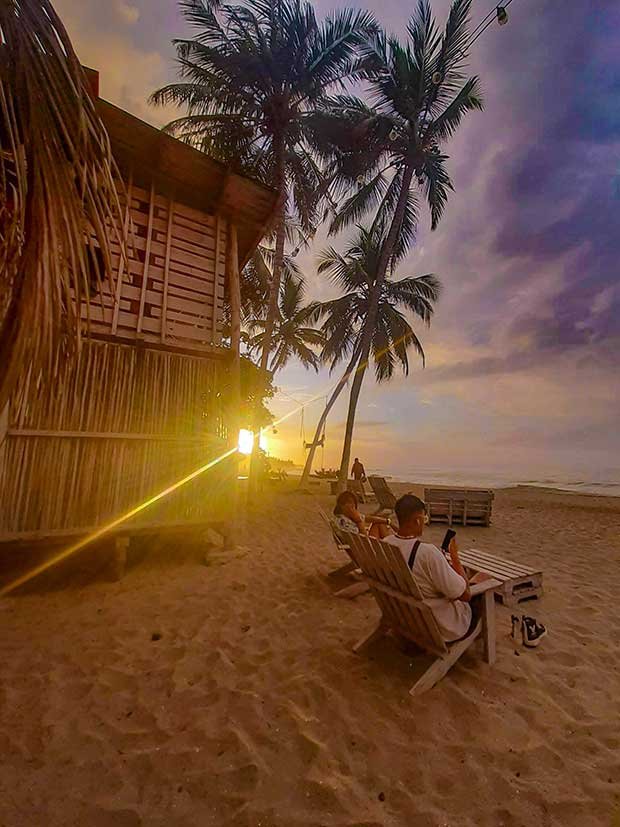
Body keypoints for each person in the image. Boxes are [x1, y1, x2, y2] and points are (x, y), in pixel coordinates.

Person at [384, 494, 481, 642]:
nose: (424, 522)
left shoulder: (386, 543)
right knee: (483, 587)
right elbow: (465, 595)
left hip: (404, 616)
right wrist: (455, 558)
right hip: (437, 626)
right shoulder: (427, 553)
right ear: (417, 520)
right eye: (424, 518)